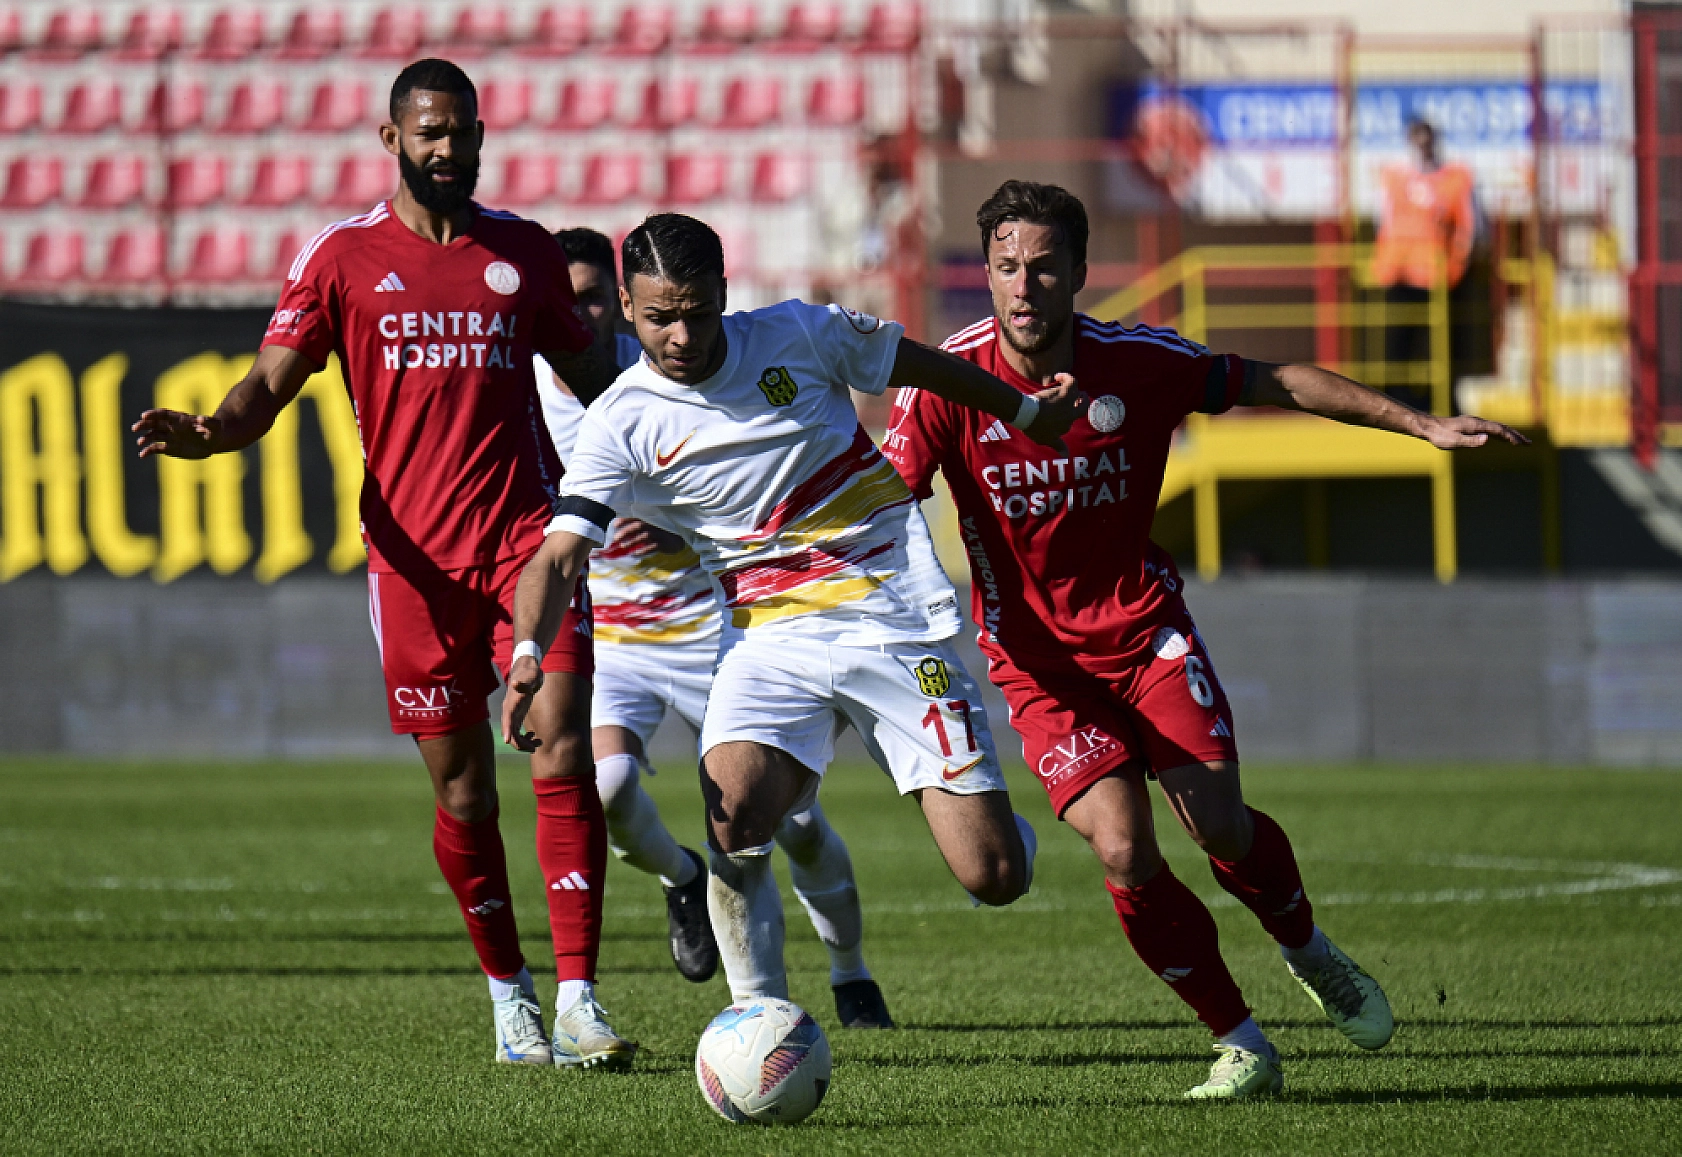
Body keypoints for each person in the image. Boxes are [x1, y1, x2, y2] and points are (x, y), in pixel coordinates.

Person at [884, 180, 1527, 1099]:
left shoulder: (1138, 363)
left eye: (1044, 266)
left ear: (1079, 271)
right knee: (1122, 848)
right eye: (1005, 267)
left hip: (1144, 635)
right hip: (1039, 668)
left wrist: (1419, 422)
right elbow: (879, 496)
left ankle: (1306, 946)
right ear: (986, 273)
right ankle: (1240, 1040)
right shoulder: (949, 383)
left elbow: (1275, 380)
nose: (1023, 287)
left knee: (1218, 821)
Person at [131, 60, 634, 1070]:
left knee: (562, 745)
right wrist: (214, 433)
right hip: (411, 567)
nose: (448, 148)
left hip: (524, 545)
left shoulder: (525, 252)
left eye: (462, 131)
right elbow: (269, 384)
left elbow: (599, 381)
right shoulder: (341, 258)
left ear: (481, 135)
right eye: (429, 132)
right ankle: (511, 997)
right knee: (464, 794)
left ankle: (581, 998)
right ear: (391, 137)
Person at [502, 212, 1084, 1007]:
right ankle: (759, 1017)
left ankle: (1001, 836)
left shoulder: (800, 334)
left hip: (889, 612)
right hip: (765, 634)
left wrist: (1025, 411)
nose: (681, 336)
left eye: (697, 312)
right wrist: (527, 653)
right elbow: (558, 554)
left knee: (995, 876)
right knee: (734, 814)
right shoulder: (620, 420)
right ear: (630, 309)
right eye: (661, 317)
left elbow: (919, 364)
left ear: (723, 293)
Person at [534, 226, 896, 1027]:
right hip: (616, 637)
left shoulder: (663, 366)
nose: (577, 313)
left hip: (713, 626)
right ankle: (681, 877)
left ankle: (850, 971)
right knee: (608, 784)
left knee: (792, 822)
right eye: (563, 299)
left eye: (590, 298)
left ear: (617, 304)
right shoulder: (529, 393)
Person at [1372, 117, 1477, 410]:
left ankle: (1441, 401)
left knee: (1441, 345)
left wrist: (1456, 266)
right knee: (1398, 342)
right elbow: (1384, 221)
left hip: (1438, 277)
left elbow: (1468, 229)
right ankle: (1396, 400)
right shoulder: (1394, 177)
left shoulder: (1454, 179)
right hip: (1400, 274)